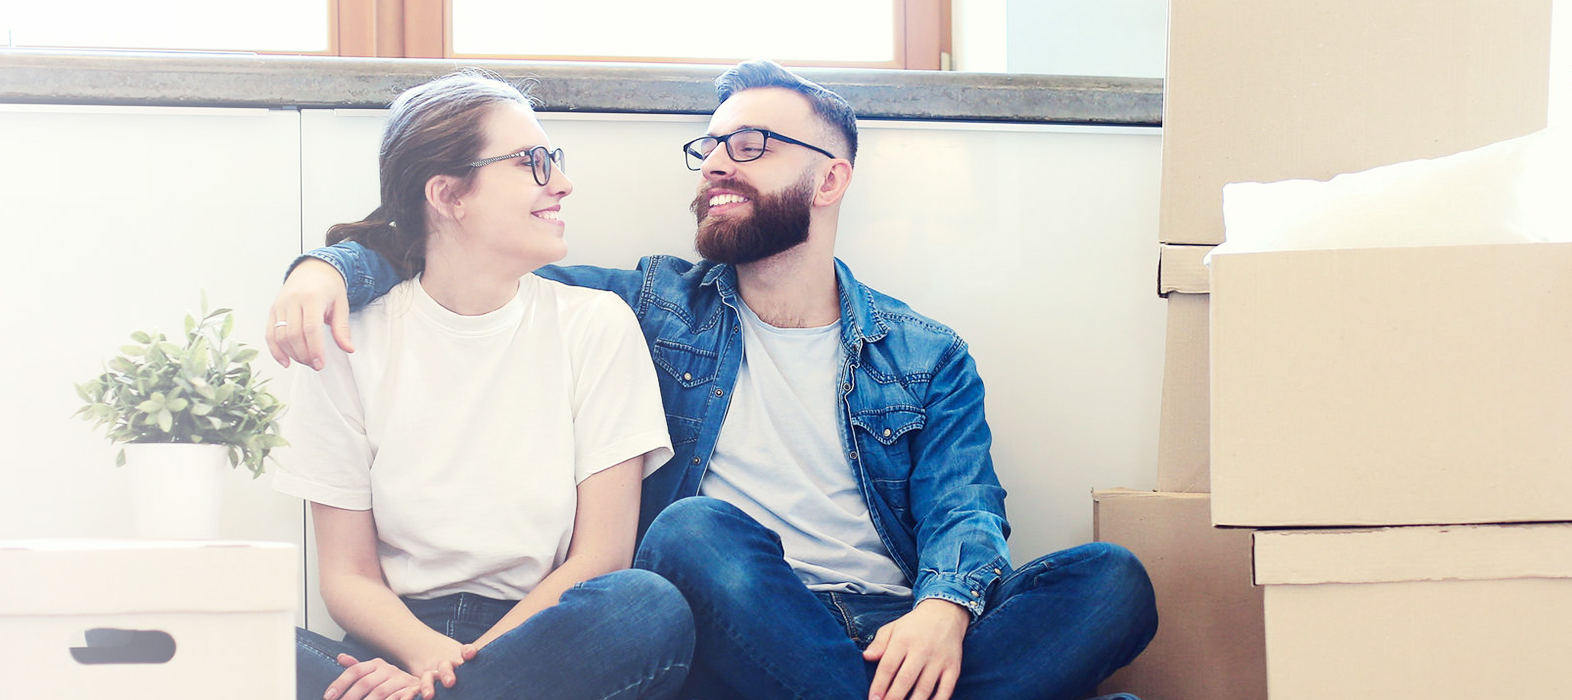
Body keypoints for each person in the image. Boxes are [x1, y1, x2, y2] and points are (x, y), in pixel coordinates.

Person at [265, 60, 1156, 700]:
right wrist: (329, 268)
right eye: (712, 146)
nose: (719, 162)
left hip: (897, 634)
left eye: (752, 144)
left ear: (830, 178)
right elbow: (460, 267)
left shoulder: (925, 353)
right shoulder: (648, 306)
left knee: (1111, 580)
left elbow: (967, 511)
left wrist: (944, 609)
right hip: (743, 619)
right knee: (692, 533)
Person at [272, 70, 695, 700]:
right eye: (532, 162)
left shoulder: (597, 325)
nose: (562, 183)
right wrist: (427, 658)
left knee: (646, 606)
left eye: (554, 159)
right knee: (217, 637)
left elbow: (601, 557)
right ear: (448, 195)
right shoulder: (348, 339)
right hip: (392, 647)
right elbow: (348, 576)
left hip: (540, 642)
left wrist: (452, 675)